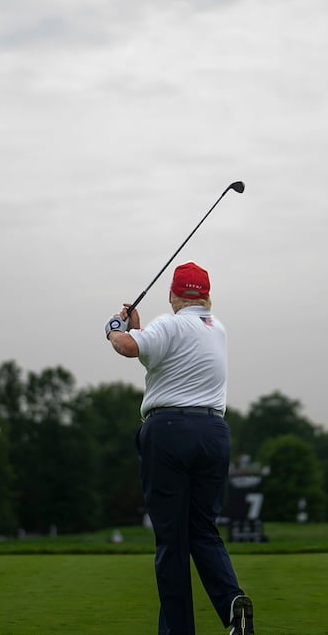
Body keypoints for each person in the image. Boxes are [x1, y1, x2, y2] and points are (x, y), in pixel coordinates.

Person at [105, 261, 254, 635]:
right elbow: (159, 356)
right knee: (203, 529)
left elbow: (127, 347)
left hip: (169, 432)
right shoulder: (216, 329)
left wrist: (115, 328)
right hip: (214, 434)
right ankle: (231, 601)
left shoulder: (169, 324)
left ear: (173, 295)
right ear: (207, 296)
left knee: (172, 540)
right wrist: (139, 329)